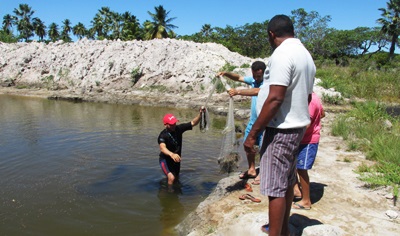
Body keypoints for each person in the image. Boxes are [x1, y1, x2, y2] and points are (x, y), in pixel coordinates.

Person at [243, 14, 315, 236]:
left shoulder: (283, 54)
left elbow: (275, 98)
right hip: (296, 129)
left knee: (275, 188)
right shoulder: (305, 55)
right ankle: (282, 231)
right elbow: (308, 96)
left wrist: (253, 134)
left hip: (280, 130)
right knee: (285, 182)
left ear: (271, 34)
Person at [216, 61, 267, 184]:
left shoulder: (268, 82)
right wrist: (226, 73)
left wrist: (238, 92)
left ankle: (264, 173)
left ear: (264, 73)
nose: (256, 78)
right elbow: (238, 77)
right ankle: (251, 169)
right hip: (253, 121)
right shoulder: (254, 80)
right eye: (254, 75)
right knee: (247, 145)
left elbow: (257, 91)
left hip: (265, 122)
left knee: (264, 148)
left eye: (259, 76)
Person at [292, 92, 325, 210]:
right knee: (294, 165)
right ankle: (296, 190)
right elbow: (323, 113)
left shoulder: (311, 100)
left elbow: (306, 124)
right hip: (302, 139)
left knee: (301, 169)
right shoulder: (313, 96)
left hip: (308, 141)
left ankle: (306, 200)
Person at [158, 108, 204, 186]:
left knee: (176, 178)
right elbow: (162, 148)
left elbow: (193, 123)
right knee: (171, 178)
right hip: (165, 160)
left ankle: (173, 191)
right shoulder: (162, 135)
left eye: (174, 123)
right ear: (166, 125)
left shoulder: (179, 128)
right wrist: (172, 154)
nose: (174, 125)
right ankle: (169, 194)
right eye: (171, 124)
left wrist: (200, 114)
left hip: (176, 159)